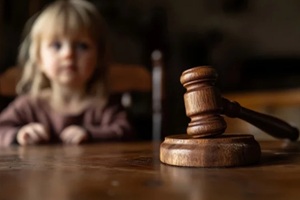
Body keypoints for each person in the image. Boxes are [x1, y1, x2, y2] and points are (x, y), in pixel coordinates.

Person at [0, 0, 134, 147]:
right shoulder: (28, 106)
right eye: (57, 45)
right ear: (39, 59)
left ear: (99, 57)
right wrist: (18, 135)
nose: (68, 54)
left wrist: (90, 134)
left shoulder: (104, 106)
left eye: (82, 46)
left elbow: (125, 131)